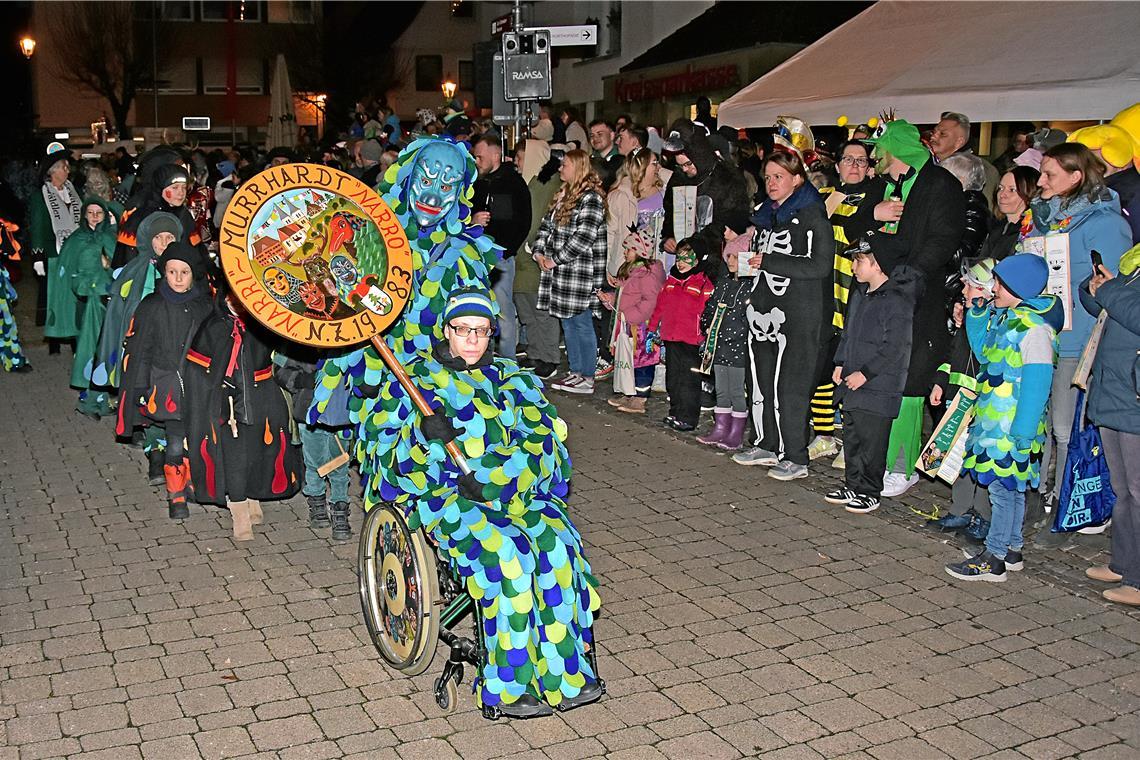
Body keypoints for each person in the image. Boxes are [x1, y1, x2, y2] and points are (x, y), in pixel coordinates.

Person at [370, 288, 602, 717]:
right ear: (446, 331)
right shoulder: (412, 381)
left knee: (558, 550)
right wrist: (422, 440)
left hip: (513, 493)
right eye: (463, 330)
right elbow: (386, 464)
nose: (472, 340)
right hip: (451, 500)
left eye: (481, 331)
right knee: (509, 556)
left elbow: (545, 442)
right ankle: (508, 686)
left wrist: (500, 481)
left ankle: (563, 674)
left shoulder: (515, 379)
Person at [1019, 143, 1132, 512]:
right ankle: (1042, 494)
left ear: (1076, 176)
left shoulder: (1107, 224)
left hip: (1077, 341)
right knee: (1045, 424)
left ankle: (1068, 505)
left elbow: (1110, 291)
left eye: (1049, 174)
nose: (1040, 181)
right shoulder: (1046, 218)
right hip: (1042, 335)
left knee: (1067, 429)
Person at [862, 119, 966, 498]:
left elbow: (943, 238)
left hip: (919, 299)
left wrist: (908, 276)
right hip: (882, 295)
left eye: (881, 153)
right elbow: (858, 222)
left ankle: (902, 466)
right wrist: (874, 217)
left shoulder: (941, 185)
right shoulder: (886, 187)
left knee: (908, 384)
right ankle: (881, 458)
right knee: (881, 377)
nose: (876, 161)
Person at [946, 254, 1063, 582]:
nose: (993, 287)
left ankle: (994, 557)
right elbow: (984, 352)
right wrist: (978, 313)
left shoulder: (1035, 330)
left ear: (1017, 288)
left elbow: (1037, 386)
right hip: (996, 423)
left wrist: (1023, 432)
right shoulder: (1008, 318)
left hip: (1012, 429)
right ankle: (1011, 549)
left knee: (1002, 492)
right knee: (1008, 490)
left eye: (998, 283)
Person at [732, 150, 833, 480]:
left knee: (791, 385)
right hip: (762, 310)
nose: (772, 183)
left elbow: (819, 265)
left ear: (797, 179)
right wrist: (743, 264)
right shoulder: (766, 216)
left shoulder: (813, 217)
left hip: (799, 315)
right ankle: (765, 442)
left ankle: (795, 456)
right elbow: (762, 259)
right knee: (760, 382)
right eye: (768, 177)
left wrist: (766, 263)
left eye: (779, 176)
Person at [181, 288, 301, 539]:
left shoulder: (263, 324)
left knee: (260, 452)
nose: (235, 303)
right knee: (234, 459)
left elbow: (280, 356)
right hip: (226, 405)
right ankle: (239, 512)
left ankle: (253, 497)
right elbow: (197, 371)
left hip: (262, 398)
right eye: (230, 297)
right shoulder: (213, 326)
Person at [115, 242, 213, 518]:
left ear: (194, 274)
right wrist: (141, 388)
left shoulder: (205, 305)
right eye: (172, 271)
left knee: (196, 438)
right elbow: (141, 351)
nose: (179, 278)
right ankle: (176, 494)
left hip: (197, 386)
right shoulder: (152, 306)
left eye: (184, 272)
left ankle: (192, 484)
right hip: (165, 385)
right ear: (164, 273)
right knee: (173, 440)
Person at [827, 238, 917, 514]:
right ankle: (853, 484)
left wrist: (865, 374)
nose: (853, 267)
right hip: (853, 381)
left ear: (877, 265)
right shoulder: (860, 295)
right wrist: (841, 362)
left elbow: (896, 348)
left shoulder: (898, 301)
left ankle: (869, 490)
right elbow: (848, 332)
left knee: (872, 442)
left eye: (859, 261)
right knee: (852, 437)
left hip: (878, 386)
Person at [812, 139, 884, 466]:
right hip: (826, 293)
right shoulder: (825, 196)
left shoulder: (879, 196)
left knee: (853, 368)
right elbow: (813, 226)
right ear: (838, 164)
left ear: (870, 166)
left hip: (859, 292)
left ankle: (850, 441)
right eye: (848, 159)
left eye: (861, 160)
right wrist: (836, 197)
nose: (854, 165)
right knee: (823, 369)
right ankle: (824, 436)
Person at [1079, 245, 1140, 605]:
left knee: (1137, 489)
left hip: (1133, 397)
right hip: (1115, 391)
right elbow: (1103, 307)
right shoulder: (1133, 265)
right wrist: (1093, 286)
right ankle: (1123, 563)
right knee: (1122, 489)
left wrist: (1110, 290)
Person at [926, 258, 998, 542]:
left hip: (981, 401)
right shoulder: (967, 318)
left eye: (971, 285)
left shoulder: (993, 321)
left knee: (978, 459)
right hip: (958, 398)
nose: (964, 289)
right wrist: (941, 382)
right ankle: (960, 509)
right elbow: (952, 355)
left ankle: (983, 515)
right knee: (956, 456)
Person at [534, 150, 607, 395]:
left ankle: (587, 374)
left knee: (582, 323)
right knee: (568, 323)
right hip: (561, 275)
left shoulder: (591, 199)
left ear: (577, 167)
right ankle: (576, 371)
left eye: (564, 164)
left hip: (580, 274)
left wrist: (554, 260)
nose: (560, 168)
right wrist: (539, 253)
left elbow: (584, 237)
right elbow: (546, 227)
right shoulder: (563, 195)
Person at [90, 212, 184, 395]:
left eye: (170, 237)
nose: (164, 243)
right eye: (158, 237)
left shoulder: (184, 268)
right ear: (149, 239)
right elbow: (119, 313)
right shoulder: (135, 270)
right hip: (141, 341)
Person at [273, 347, 353, 539]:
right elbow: (280, 370)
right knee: (314, 460)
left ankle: (340, 509)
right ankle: (316, 503)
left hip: (342, 412)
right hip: (308, 409)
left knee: (340, 463)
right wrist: (302, 381)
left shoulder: (347, 339)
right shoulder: (298, 339)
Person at [660, 121, 751, 275]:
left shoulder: (727, 178)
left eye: (688, 164)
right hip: (685, 263)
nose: (685, 169)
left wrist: (697, 244)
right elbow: (670, 210)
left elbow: (733, 220)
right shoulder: (679, 178)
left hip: (717, 262)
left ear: (699, 154)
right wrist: (668, 237)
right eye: (680, 165)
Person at [471, 135, 532, 361]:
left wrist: (506, 251)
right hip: (475, 257)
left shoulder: (513, 184)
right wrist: (472, 221)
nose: (476, 161)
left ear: (495, 155)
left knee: (504, 312)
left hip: (500, 258)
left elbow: (523, 221)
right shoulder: (477, 183)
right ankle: (481, 358)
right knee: (479, 310)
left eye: (480, 156)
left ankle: (507, 362)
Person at [695, 222, 754, 449]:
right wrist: (708, 325)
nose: (730, 262)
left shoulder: (750, 289)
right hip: (718, 346)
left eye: (736, 258)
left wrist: (726, 332)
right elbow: (710, 308)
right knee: (721, 389)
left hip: (737, 347)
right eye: (728, 257)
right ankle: (720, 427)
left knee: (736, 391)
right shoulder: (724, 284)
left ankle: (735, 432)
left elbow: (746, 320)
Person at [57, 198, 116, 418]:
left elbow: (120, 269)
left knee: (106, 350)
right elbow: (69, 274)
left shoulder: (111, 237)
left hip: (107, 302)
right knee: (88, 350)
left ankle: (101, 400)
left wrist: (108, 266)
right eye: (90, 212)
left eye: (98, 213)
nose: (94, 217)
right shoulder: (76, 240)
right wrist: (87, 285)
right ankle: (87, 401)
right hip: (86, 303)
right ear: (84, 214)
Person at [599, 230, 665, 413]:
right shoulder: (632, 271)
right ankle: (629, 392)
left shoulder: (648, 275)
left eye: (628, 249)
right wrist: (611, 300)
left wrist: (628, 315)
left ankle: (640, 398)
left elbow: (650, 302)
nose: (625, 252)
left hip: (641, 327)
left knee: (642, 361)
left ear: (639, 251)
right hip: (628, 324)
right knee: (628, 360)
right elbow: (625, 297)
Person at [515, 140, 563, 380]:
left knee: (541, 310)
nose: (517, 162)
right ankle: (536, 352)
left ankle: (549, 356)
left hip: (533, 253)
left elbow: (535, 219)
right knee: (528, 309)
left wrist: (527, 243)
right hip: (524, 254)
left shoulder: (544, 184)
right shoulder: (531, 182)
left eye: (521, 157)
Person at [28, 144, 80, 351]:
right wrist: (38, 256)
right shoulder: (41, 195)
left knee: (73, 297)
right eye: (63, 167)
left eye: (67, 166)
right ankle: (55, 342)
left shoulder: (73, 192)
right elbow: (38, 225)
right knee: (55, 299)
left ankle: (75, 337)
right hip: (54, 253)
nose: (67, 170)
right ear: (52, 172)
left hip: (74, 252)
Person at [928, 111, 1000, 204]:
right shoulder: (926, 163)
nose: (933, 137)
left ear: (959, 142)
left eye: (942, 134)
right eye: (934, 132)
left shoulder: (980, 169)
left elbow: (982, 208)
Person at [977, 167, 1039, 264]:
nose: (1002, 194)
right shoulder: (995, 226)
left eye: (1012, 190)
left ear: (1029, 193)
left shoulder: (1031, 233)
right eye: (1001, 188)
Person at [588, 119, 621, 189]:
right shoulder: (588, 160)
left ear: (612, 135)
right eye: (592, 135)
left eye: (600, 134)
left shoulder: (621, 161)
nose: (595, 138)